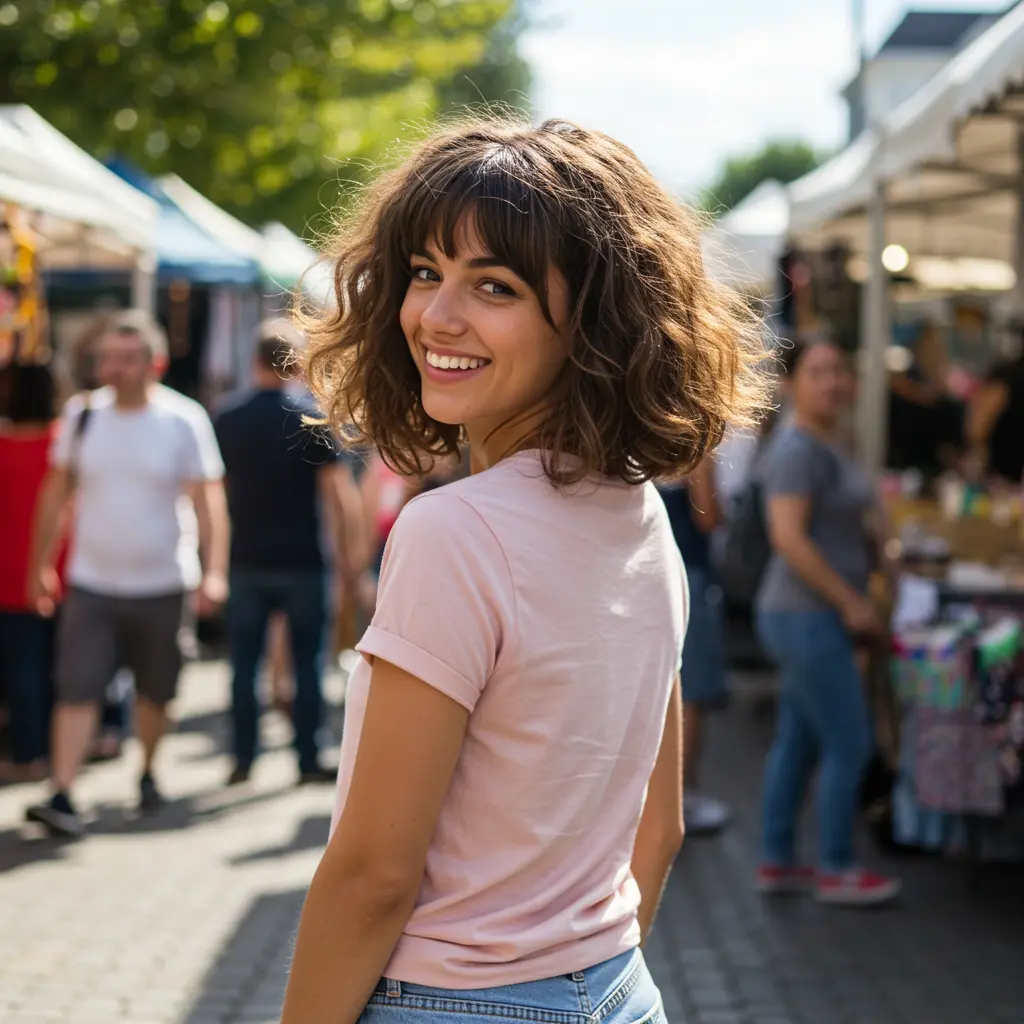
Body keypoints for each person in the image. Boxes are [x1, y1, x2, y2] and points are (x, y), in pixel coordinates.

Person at [277, 116, 769, 1024]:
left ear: (592, 322)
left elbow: (375, 875)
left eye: (493, 285)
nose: (436, 315)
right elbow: (655, 835)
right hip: (619, 989)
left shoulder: (453, 532)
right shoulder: (644, 516)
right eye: (426, 271)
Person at [24, 310, 229, 837]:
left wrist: (214, 573)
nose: (112, 368)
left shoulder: (183, 420)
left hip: (163, 583)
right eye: (107, 358)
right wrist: (41, 564)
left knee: (156, 690)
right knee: (77, 687)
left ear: (154, 363)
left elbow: (210, 502)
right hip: (92, 582)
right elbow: (56, 491)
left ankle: (148, 769)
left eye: (125, 358)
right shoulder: (83, 415)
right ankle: (63, 792)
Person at [755, 338, 901, 906]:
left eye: (841, 370)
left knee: (798, 740)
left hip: (810, 617)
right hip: (804, 615)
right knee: (850, 742)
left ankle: (778, 859)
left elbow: (852, 519)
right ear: (793, 384)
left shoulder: (832, 442)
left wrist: (880, 551)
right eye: (818, 372)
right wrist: (851, 603)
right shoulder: (796, 450)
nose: (833, 381)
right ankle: (836, 865)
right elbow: (787, 538)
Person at [214, 323, 366, 785]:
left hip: (246, 558)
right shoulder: (311, 418)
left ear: (253, 361)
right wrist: (350, 557)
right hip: (303, 558)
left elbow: (218, 493)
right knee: (307, 663)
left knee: (243, 665)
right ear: (297, 365)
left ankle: (242, 757)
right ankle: (306, 757)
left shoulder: (227, 417)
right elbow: (339, 498)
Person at [658, 455, 731, 837]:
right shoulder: (694, 447)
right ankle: (680, 797)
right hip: (689, 573)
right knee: (691, 693)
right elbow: (708, 516)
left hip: (643, 571)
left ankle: (661, 797)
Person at [0, 363, 62, 782]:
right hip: (62, 567)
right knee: (56, 667)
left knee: (22, 668)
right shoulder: (62, 443)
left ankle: (29, 753)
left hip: (10, 570)